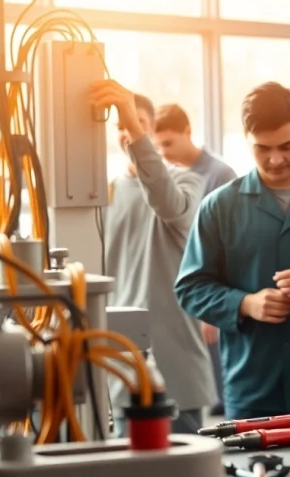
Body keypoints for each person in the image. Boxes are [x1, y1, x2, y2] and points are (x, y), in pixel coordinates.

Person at [175, 82, 290, 419]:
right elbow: (190, 288)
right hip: (252, 386)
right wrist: (245, 303)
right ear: (246, 139)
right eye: (262, 148)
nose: (276, 159)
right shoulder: (219, 207)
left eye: (287, 145)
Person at [91, 80, 214, 436]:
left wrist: (131, 122)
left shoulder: (187, 182)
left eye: (139, 123)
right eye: (122, 126)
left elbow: (166, 202)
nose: (129, 132)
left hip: (176, 370)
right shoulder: (105, 194)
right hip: (120, 368)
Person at [152, 103, 237, 416]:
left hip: (208, 297)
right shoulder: (167, 178)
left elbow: (229, 246)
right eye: (158, 145)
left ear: (188, 132)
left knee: (214, 398)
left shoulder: (220, 175)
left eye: (169, 143)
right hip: (183, 294)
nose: (163, 152)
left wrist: (212, 305)